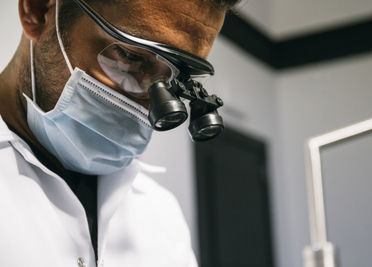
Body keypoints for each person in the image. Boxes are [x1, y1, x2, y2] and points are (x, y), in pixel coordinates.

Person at [0, 0, 238, 266]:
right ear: (39, 10)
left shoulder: (162, 214)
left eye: (175, 80)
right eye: (130, 56)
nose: (149, 107)